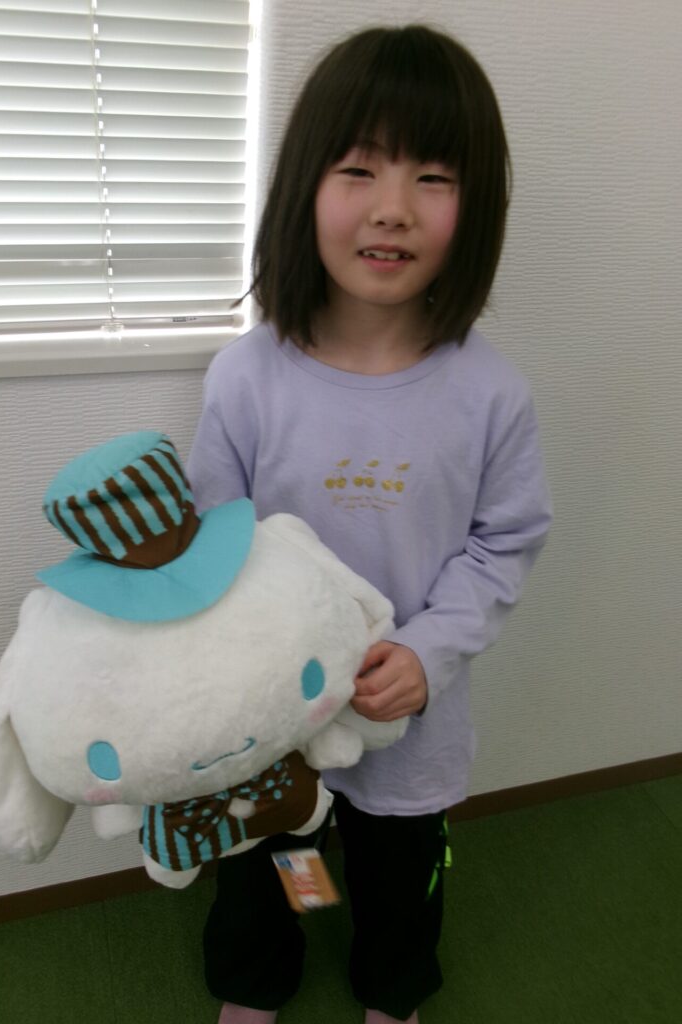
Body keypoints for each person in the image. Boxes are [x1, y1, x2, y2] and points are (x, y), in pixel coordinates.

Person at [186, 23, 552, 1024]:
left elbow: (505, 542)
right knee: (273, 857)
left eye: (434, 177)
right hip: (274, 719)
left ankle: (392, 987)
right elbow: (214, 544)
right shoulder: (246, 377)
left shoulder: (490, 394)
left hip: (411, 719)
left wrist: (430, 652)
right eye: (358, 168)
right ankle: (260, 976)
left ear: (476, 208)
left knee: (398, 873)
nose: (393, 207)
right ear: (303, 187)